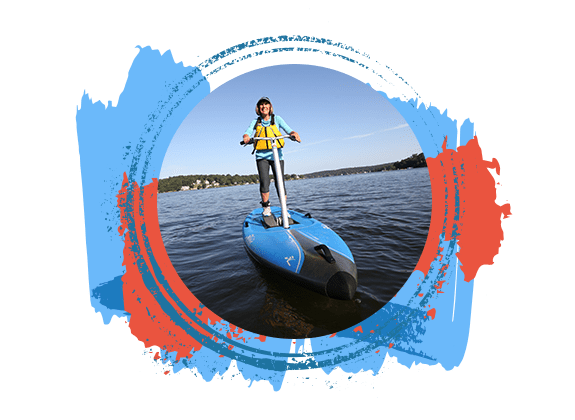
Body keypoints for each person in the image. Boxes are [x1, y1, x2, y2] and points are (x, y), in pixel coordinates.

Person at [243, 97, 301, 217]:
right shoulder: (256, 121)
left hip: (277, 156)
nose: (264, 107)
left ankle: (284, 208)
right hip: (262, 156)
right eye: (261, 105)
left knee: (280, 182)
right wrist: (246, 137)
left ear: (270, 107)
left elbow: (288, 129)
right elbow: (248, 131)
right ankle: (266, 208)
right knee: (265, 182)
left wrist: (293, 134)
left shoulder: (277, 119)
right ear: (258, 108)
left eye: (266, 104)